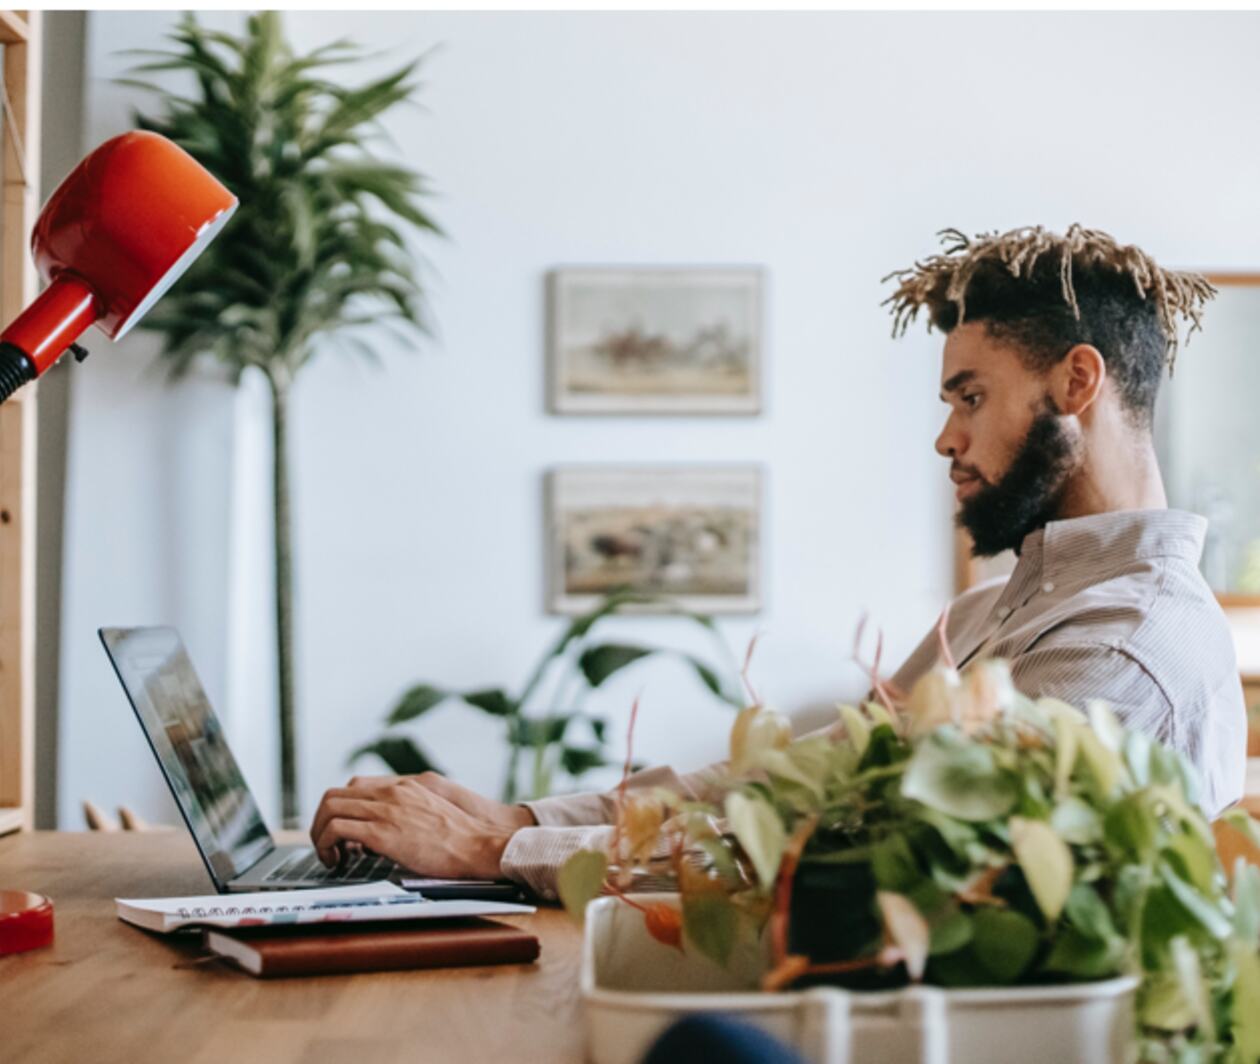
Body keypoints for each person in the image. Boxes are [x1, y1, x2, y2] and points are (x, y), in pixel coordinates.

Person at [310, 224, 1247, 899]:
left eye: (969, 396)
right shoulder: (996, 609)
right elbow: (788, 788)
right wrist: (519, 824)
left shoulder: (1123, 648)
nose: (945, 439)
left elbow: (852, 855)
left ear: (1075, 382)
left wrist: (491, 854)